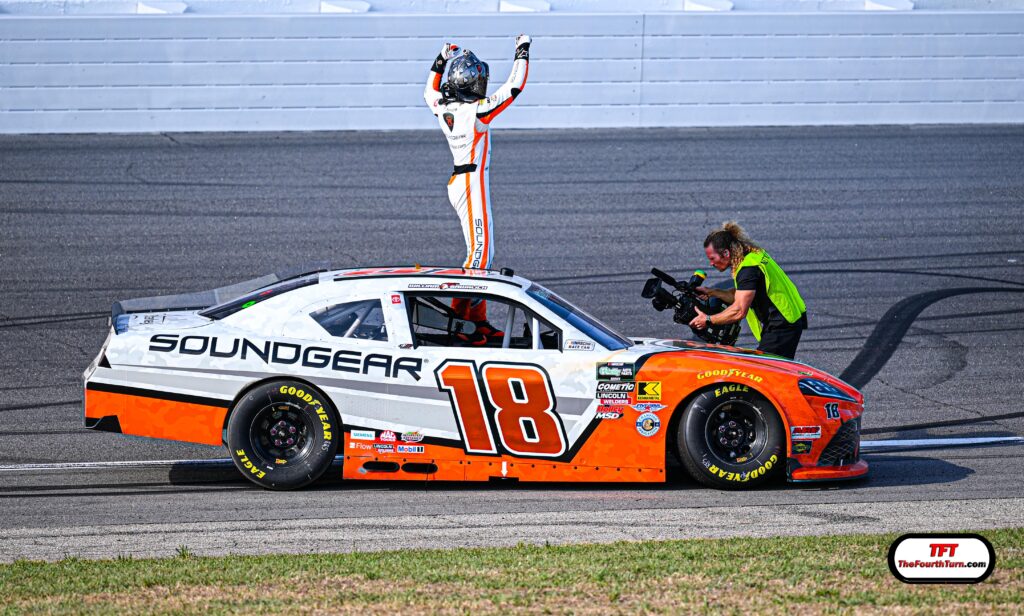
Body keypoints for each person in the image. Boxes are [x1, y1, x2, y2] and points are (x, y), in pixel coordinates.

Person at [423, 35, 530, 344]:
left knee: (480, 254)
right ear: (470, 83)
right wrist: (522, 50)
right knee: (480, 258)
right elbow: (514, 86)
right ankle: (460, 324)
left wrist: (441, 58)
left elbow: (428, 91)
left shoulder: (442, 106)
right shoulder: (478, 112)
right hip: (471, 182)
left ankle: (477, 320)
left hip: (462, 180)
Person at [689, 222, 808, 359]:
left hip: (781, 325)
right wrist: (712, 292)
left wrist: (708, 319)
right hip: (787, 318)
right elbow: (742, 294)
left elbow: (739, 310)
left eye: (712, 258)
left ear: (726, 253)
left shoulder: (748, 270)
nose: (711, 263)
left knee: (766, 368)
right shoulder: (752, 255)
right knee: (777, 368)